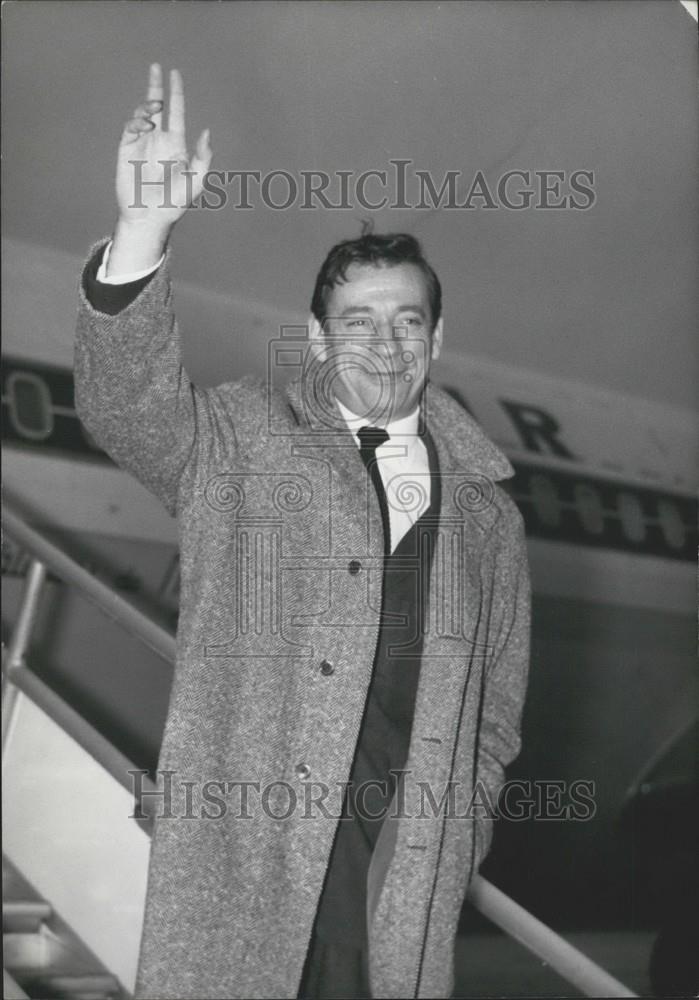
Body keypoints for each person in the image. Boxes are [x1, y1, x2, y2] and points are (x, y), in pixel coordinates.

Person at [74, 64, 531, 1000]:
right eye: (356, 322)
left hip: (395, 883)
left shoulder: (489, 512)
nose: (385, 343)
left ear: (437, 340)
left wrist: (455, 837)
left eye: (407, 321)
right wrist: (143, 231)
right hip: (250, 868)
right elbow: (124, 407)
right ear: (317, 341)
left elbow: (495, 717)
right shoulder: (241, 437)